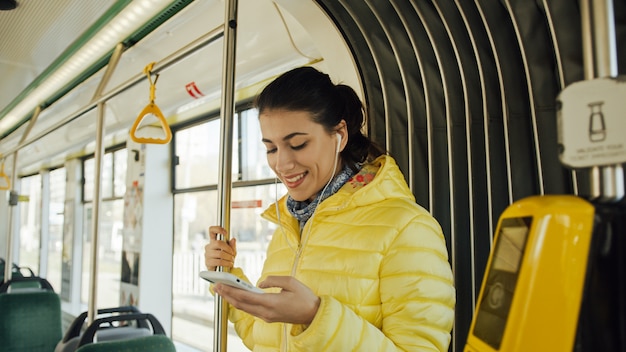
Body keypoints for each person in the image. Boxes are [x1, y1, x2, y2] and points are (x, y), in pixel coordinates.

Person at [205, 66, 455, 351]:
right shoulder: (289, 230)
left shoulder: (408, 229)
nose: (282, 164)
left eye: (297, 144)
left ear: (340, 135)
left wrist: (315, 317)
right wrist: (228, 276)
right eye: (271, 149)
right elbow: (266, 338)